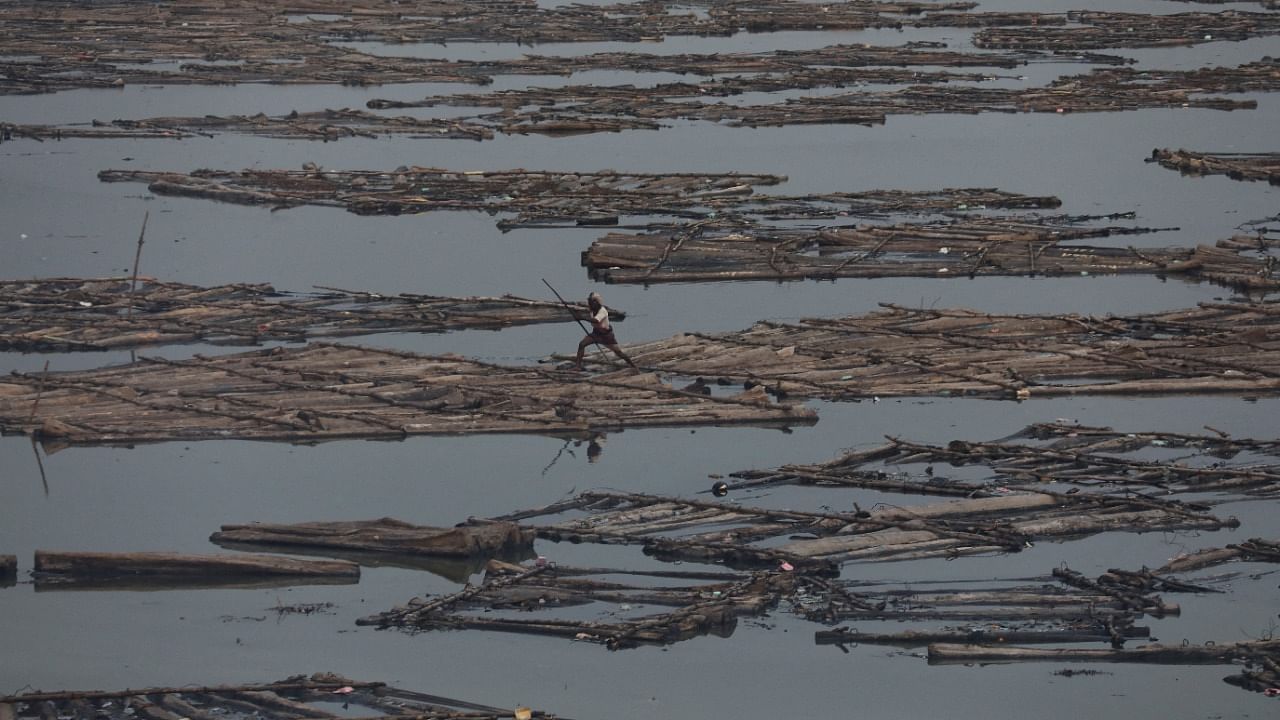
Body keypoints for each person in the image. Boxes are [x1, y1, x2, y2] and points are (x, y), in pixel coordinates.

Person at [575, 292, 638, 371]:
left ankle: (632, 365)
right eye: (590, 302)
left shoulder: (603, 311)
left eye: (592, 302)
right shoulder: (592, 309)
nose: (590, 304)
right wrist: (577, 315)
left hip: (606, 336)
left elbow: (596, 320)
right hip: (596, 333)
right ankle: (577, 366)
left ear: (597, 302)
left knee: (618, 352)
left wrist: (583, 318)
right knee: (582, 344)